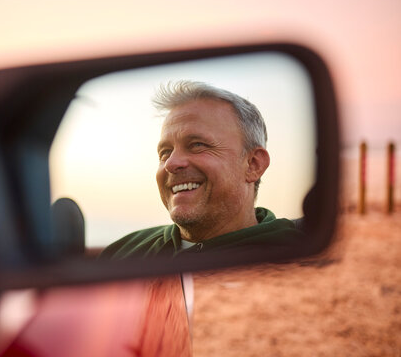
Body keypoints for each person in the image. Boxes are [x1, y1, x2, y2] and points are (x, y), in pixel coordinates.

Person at [100, 80, 305, 259]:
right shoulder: (124, 252)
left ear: (253, 165)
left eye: (197, 145)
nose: (171, 163)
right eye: (165, 152)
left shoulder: (300, 256)